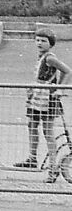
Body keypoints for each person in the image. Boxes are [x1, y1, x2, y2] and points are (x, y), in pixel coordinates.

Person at [14, 30, 70, 183]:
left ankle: (53, 167)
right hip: (37, 95)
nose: (39, 43)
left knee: (48, 131)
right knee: (32, 124)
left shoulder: (50, 58)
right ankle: (32, 158)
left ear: (50, 43)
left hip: (47, 98)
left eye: (43, 41)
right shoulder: (41, 57)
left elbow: (67, 71)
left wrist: (60, 88)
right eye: (37, 40)